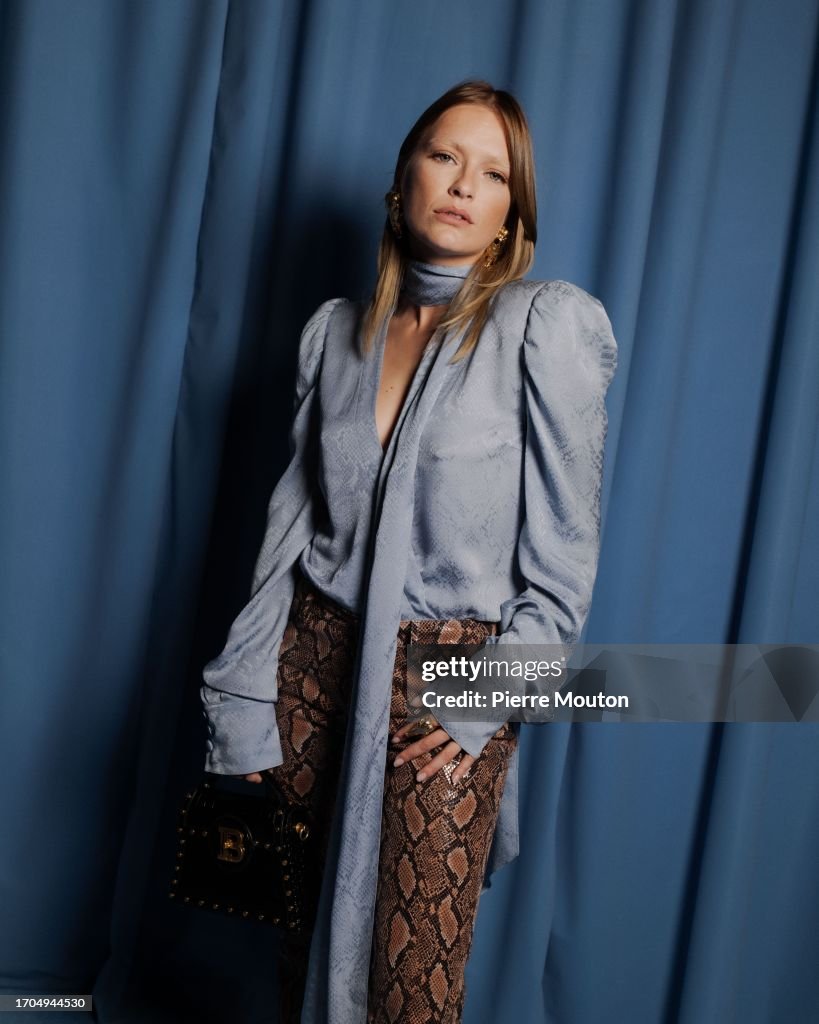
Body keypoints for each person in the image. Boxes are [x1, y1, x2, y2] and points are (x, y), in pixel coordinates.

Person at [199, 79, 618, 1024]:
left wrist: (481, 708)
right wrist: (244, 696)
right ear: (404, 178)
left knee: (411, 991)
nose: (463, 184)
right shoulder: (333, 336)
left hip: (447, 689)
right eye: (443, 156)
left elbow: (563, 567)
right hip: (312, 672)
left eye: (492, 172)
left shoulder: (543, 329)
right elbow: (288, 533)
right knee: (296, 957)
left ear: (513, 214)